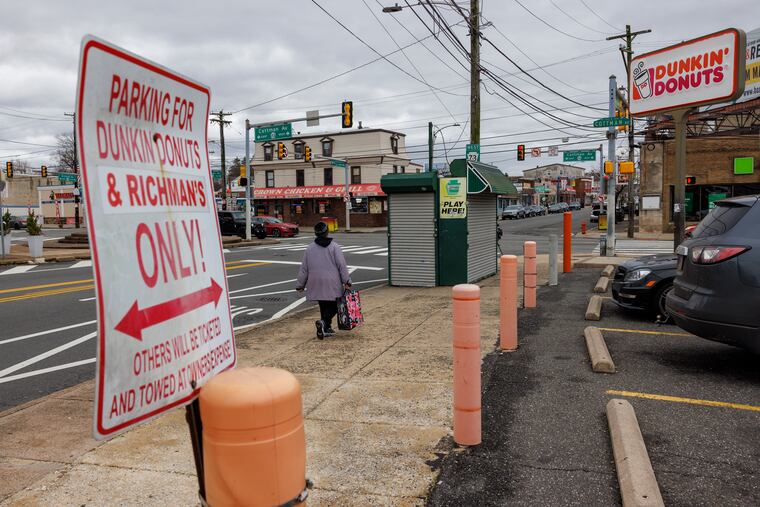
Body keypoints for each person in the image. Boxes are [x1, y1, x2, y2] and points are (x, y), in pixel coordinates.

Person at [296, 221, 352, 339]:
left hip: (315, 281)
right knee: (337, 305)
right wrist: (347, 281)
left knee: (323, 304)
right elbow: (341, 265)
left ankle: (326, 329)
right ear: (327, 232)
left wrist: (300, 284)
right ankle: (324, 323)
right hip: (332, 281)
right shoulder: (334, 247)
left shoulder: (309, 249)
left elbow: (304, 268)